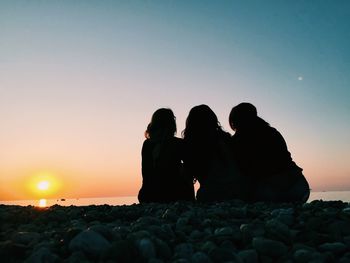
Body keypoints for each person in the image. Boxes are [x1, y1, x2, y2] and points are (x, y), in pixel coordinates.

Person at [229, 102, 310, 203]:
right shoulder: (273, 132)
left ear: (237, 122)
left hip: (270, 191)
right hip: (300, 187)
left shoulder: (238, 141)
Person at [182, 104, 242, 202]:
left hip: (210, 195)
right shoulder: (226, 138)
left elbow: (188, 175)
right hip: (238, 193)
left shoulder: (192, 144)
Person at [138, 108, 195, 203]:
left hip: (147, 195)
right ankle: (191, 202)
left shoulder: (147, 144)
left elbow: (146, 172)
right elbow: (190, 169)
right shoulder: (178, 143)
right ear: (172, 124)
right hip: (173, 194)